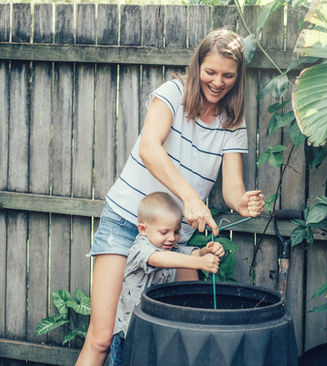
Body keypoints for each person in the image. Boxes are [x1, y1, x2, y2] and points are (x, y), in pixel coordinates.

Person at [75, 28, 265, 366]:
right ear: (197, 67)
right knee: (103, 338)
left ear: (238, 78)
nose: (218, 82)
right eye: (210, 72)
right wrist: (190, 198)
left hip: (177, 239)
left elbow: (232, 188)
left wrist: (243, 203)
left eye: (227, 76)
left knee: (175, 337)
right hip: (126, 222)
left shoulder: (233, 124)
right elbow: (150, 149)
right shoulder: (172, 93)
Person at [108, 192, 225, 366]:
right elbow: (158, 259)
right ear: (143, 229)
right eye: (164, 232)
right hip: (130, 331)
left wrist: (206, 252)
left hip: (155, 330)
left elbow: (190, 253)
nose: (172, 238)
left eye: (176, 231)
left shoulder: (171, 247)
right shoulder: (141, 248)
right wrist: (199, 262)